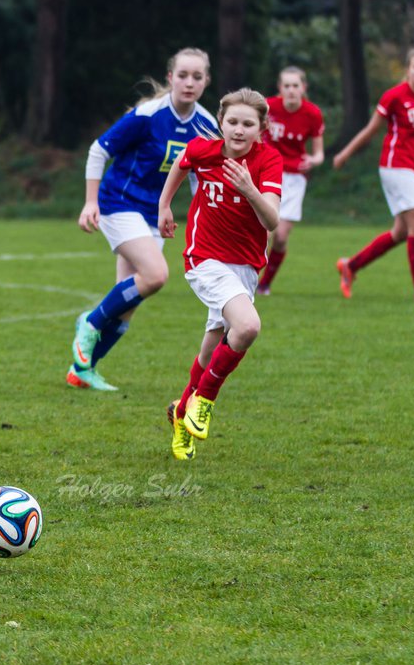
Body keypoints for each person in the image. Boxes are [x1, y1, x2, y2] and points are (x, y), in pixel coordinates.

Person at [69, 48, 217, 392]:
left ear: (206, 81)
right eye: (183, 75)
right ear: (170, 78)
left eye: (197, 77)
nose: (189, 82)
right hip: (119, 202)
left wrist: (206, 223)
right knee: (155, 275)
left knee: (127, 306)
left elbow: (199, 179)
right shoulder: (148, 114)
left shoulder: (207, 125)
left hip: (154, 213)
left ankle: (82, 369)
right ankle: (89, 323)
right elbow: (98, 150)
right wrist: (90, 202)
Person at [158, 88, 282, 461]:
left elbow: (272, 221)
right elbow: (181, 164)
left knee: (212, 348)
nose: (239, 130)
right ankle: (204, 401)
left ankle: (182, 412)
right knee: (247, 327)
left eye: (248, 124)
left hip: (244, 268)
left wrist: (249, 189)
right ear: (221, 122)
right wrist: (165, 205)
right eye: (232, 122)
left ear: (261, 128)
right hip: (204, 259)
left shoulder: (269, 161)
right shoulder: (202, 149)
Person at [332, 48, 414, 303]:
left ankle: (351, 265)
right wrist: (345, 153)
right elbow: (371, 130)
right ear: (407, 70)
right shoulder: (394, 96)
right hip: (396, 166)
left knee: (402, 232)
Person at [255, 66, 325, 295]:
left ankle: (265, 284)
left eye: (296, 86)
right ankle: (247, 281)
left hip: (294, 179)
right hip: (267, 172)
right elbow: (251, 130)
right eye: (287, 86)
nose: (291, 90)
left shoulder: (312, 114)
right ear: (280, 88)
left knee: (281, 237)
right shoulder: (267, 107)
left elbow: (319, 153)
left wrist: (313, 160)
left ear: (303, 88)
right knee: (263, 233)